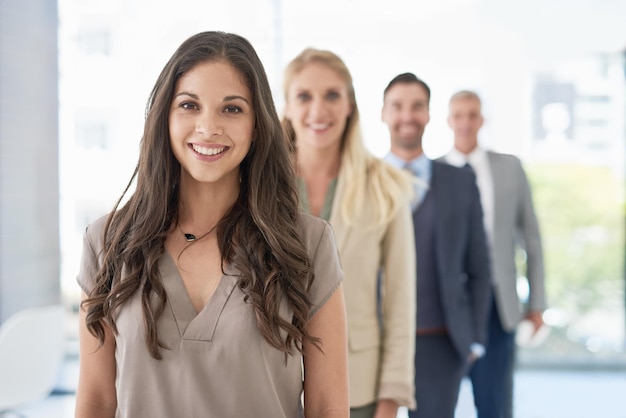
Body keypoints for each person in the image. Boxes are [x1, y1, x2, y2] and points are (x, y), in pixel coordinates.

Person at [74, 31, 349, 418]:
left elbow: (326, 408)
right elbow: (97, 402)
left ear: (258, 125)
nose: (208, 127)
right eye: (189, 105)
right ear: (164, 117)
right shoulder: (106, 242)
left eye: (232, 109)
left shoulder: (309, 243)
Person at [282, 49, 417, 418]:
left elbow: (400, 302)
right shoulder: (258, 185)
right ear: (287, 107)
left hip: (359, 388)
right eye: (304, 96)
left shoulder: (385, 186)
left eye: (332, 95)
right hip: (270, 383)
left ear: (350, 105)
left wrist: (391, 399)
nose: (318, 110)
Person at [380, 72, 492, 418]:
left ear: (429, 114)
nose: (407, 116)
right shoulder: (363, 180)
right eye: (397, 106)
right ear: (384, 113)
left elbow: (479, 267)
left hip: (440, 342)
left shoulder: (460, 182)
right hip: (374, 339)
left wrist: (472, 338)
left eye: (417, 106)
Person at [444, 90, 546, 418]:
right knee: (435, 402)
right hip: (448, 305)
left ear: (482, 120)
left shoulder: (509, 168)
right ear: (448, 120)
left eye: (472, 115)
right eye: (458, 115)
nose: (465, 122)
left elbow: (531, 238)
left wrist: (537, 304)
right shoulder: (433, 173)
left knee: (496, 404)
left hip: (497, 304)